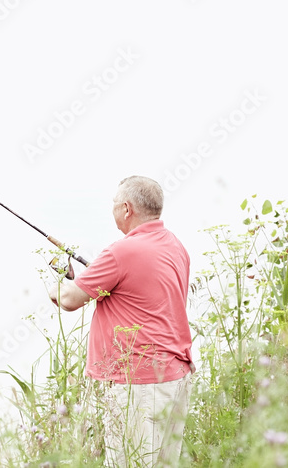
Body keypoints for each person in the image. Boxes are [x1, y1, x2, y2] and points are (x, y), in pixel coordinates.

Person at [48, 175, 194, 467]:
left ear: (126, 209)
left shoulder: (120, 252)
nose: (112, 209)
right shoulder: (175, 245)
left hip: (138, 382)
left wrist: (55, 283)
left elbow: (69, 300)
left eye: (114, 204)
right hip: (175, 377)